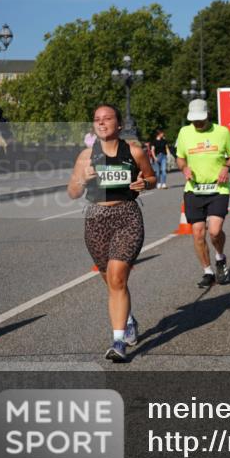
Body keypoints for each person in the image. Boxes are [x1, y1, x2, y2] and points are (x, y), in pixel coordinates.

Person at [67, 104, 155, 362]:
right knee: (109, 279)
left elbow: (151, 177)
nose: (102, 123)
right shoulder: (86, 156)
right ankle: (127, 319)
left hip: (127, 216)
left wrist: (144, 184)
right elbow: (72, 192)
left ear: (119, 124)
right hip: (96, 219)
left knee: (117, 277)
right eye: (97, 119)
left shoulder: (134, 151)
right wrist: (82, 180)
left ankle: (118, 342)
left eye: (107, 119)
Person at [176, 98, 230, 288]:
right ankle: (208, 271)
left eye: (200, 120)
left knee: (215, 231)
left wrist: (226, 168)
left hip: (218, 188)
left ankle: (220, 257)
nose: (198, 124)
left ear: (208, 114)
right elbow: (180, 158)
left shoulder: (222, 131)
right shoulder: (184, 132)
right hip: (194, 189)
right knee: (197, 234)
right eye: (194, 120)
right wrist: (184, 168)